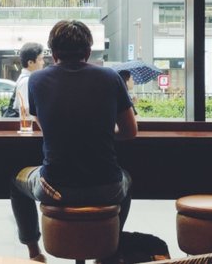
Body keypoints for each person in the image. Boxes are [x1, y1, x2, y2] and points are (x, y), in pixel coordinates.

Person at [10, 20, 138, 262]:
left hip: (54, 187)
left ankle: (34, 252)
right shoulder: (111, 77)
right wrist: (104, 130)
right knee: (126, 182)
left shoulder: (37, 81)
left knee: (16, 183)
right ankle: (109, 249)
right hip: (106, 188)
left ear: (53, 53)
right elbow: (130, 132)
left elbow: (48, 128)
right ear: (88, 52)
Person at [12, 42, 45, 117]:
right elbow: (28, 112)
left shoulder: (26, 79)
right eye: (40, 59)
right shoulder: (26, 82)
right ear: (30, 62)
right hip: (29, 127)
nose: (43, 62)